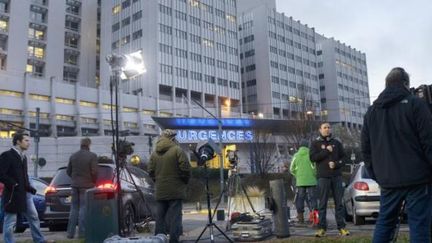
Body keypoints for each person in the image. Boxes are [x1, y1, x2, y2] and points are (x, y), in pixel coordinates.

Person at [361, 67, 432, 243]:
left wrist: (377, 175)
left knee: (385, 223)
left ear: (386, 85)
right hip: (418, 178)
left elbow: (366, 149)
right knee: (419, 225)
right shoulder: (415, 104)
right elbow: (429, 141)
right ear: (406, 84)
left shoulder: (372, 112)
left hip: (388, 180)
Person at [0, 133, 46, 243]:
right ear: (18, 142)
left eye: (28, 140)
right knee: (10, 221)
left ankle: (39, 240)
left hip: (25, 194)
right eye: (26, 140)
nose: (29, 143)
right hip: (12, 194)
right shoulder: (7, 155)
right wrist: (13, 184)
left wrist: (29, 187)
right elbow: (1, 174)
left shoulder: (24, 157)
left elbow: (23, 176)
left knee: (34, 217)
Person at [148, 129, 191, 243]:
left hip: (161, 189)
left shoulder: (154, 153)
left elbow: (150, 171)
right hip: (175, 190)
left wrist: (158, 181)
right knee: (175, 217)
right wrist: (184, 181)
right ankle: (174, 240)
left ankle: (158, 239)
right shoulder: (177, 150)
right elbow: (185, 169)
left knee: (160, 217)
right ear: (172, 138)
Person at [310, 122, 350, 237]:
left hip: (336, 176)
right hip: (323, 177)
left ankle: (341, 227)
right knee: (322, 204)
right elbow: (312, 158)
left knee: (339, 203)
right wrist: (326, 151)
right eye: (325, 127)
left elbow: (344, 157)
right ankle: (322, 228)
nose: (327, 129)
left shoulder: (336, 143)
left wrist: (336, 164)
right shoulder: (315, 143)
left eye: (329, 127)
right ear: (320, 129)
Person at [66, 137, 98, 239]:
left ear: (81, 144)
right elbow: (94, 172)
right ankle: (82, 233)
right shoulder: (92, 156)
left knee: (74, 209)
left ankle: (70, 233)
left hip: (74, 186)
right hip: (87, 186)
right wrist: (93, 181)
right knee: (83, 208)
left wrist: (75, 179)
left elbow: (68, 171)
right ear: (89, 145)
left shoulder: (73, 156)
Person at [290, 139, 317, 224]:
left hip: (300, 181)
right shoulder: (311, 154)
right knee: (312, 198)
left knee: (300, 199)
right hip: (312, 180)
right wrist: (314, 175)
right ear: (307, 145)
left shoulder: (296, 155)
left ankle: (300, 219)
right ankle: (314, 219)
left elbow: (291, 169)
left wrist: (297, 175)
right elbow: (315, 167)